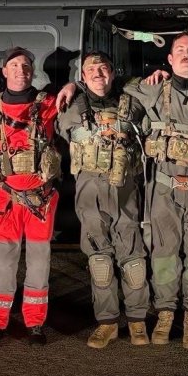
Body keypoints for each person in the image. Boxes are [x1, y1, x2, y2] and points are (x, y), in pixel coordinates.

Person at [122, 32, 188, 350]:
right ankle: (167, 312)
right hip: (164, 190)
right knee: (164, 254)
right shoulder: (152, 89)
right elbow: (113, 88)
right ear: (169, 60)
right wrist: (75, 85)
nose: (187, 55)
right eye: (180, 50)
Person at [56, 51, 150, 349]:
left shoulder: (133, 101)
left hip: (125, 190)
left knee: (133, 255)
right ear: (82, 76)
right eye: (91, 70)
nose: (98, 74)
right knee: (99, 258)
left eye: (104, 68)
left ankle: (137, 321)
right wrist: (72, 87)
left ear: (113, 72)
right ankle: (107, 322)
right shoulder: (69, 104)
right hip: (90, 190)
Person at [0, 47, 60, 348]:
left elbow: (81, 97)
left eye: (26, 65)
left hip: (41, 199)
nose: (20, 70)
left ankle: (35, 323)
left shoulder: (49, 105)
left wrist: (72, 84)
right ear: (4, 71)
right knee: (3, 263)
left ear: (32, 71)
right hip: (5, 199)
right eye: (14, 65)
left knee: (39, 263)